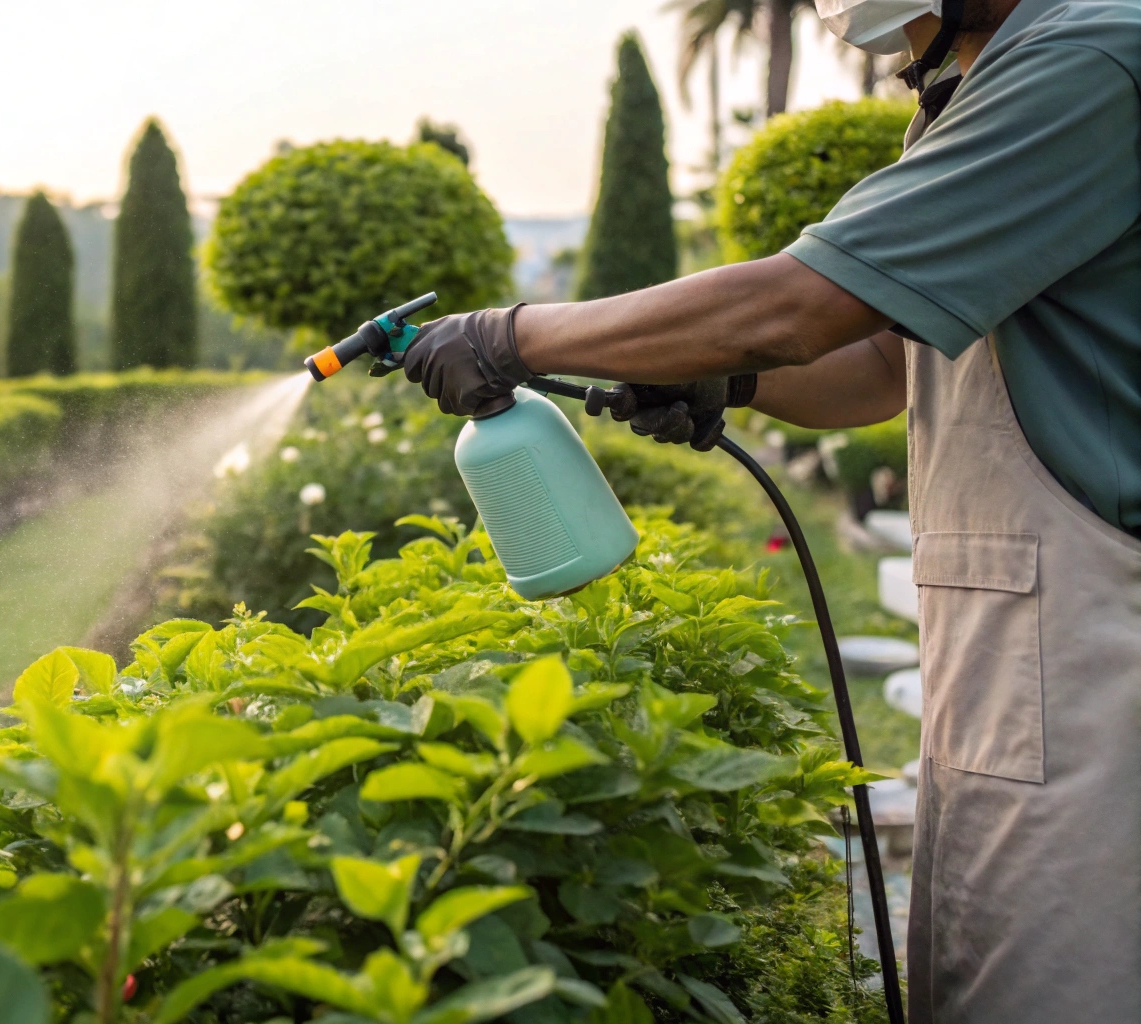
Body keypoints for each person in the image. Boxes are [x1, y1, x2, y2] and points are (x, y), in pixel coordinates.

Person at [400, 0, 1141, 1019]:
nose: (891, 60)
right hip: (1016, 656)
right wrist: (730, 384)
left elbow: (798, 307)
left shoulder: (1092, 58)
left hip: (1100, 649)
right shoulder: (982, 82)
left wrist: (518, 334)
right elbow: (884, 365)